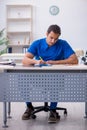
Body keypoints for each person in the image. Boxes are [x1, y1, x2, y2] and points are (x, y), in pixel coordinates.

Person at [22, 24, 78, 122]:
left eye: (56, 39)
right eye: (51, 38)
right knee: (22, 80)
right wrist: (36, 61)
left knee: (55, 81)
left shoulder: (63, 44)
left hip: (55, 78)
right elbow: (25, 60)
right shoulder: (37, 43)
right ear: (46, 34)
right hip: (38, 78)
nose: (53, 41)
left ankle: (52, 110)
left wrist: (55, 62)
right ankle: (29, 107)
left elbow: (74, 60)